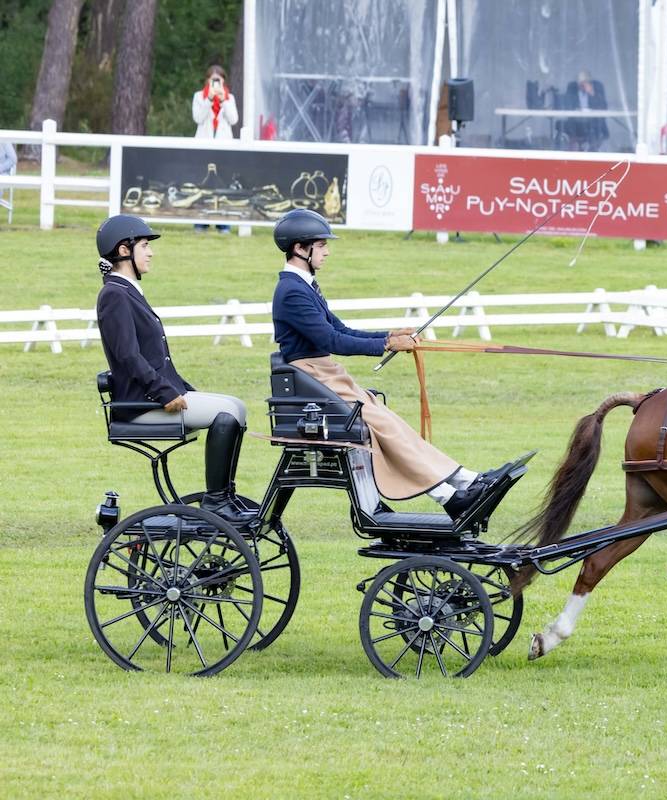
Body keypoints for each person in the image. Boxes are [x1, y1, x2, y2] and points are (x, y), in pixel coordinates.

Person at [269, 209, 507, 521]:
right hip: (313, 376)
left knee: (391, 422)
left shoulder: (304, 285)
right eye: (321, 245)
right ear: (300, 248)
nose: (327, 251)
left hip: (324, 374)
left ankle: (466, 480)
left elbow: (342, 330)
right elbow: (332, 341)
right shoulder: (291, 291)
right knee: (384, 426)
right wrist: (386, 344)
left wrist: (389, 335)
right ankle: (449, 496)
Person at [94, 214, 252, 522]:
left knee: (237, 406)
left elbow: (158, 359)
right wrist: (165, 393)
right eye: (144, 245)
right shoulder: (114, 294)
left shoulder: (127, 291)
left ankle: (225, 496)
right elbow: (128, 355)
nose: (150, 252)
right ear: (124, 250)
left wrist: (184, 389)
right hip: (141, 405)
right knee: (229, 413)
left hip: (154, 396)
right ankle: (216, 502)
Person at [191, 65, 238, 234]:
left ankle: (223, 223)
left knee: (222, 183)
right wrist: (209, 99)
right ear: (207, 80)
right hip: (204, 145)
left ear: (224, 81)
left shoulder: (229, 98)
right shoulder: (199, 96)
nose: (216, 83)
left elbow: (233, 119)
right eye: (213, 79)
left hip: (224, 146)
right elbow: (198, 118)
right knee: (203, 184)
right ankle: (201, 222)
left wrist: (223, 100)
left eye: (219, 79)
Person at [562, 70, 609, 151]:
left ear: (589, 83)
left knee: (594, 145)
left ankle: (592, 150)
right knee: (574, 144)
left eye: (585, 83)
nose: (582, 85)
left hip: (593, 123)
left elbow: (603, 107)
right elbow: (568, 106)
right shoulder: (572, 88)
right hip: (577, 123)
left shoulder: (597, 88)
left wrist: (592, 93)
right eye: (580, 83)